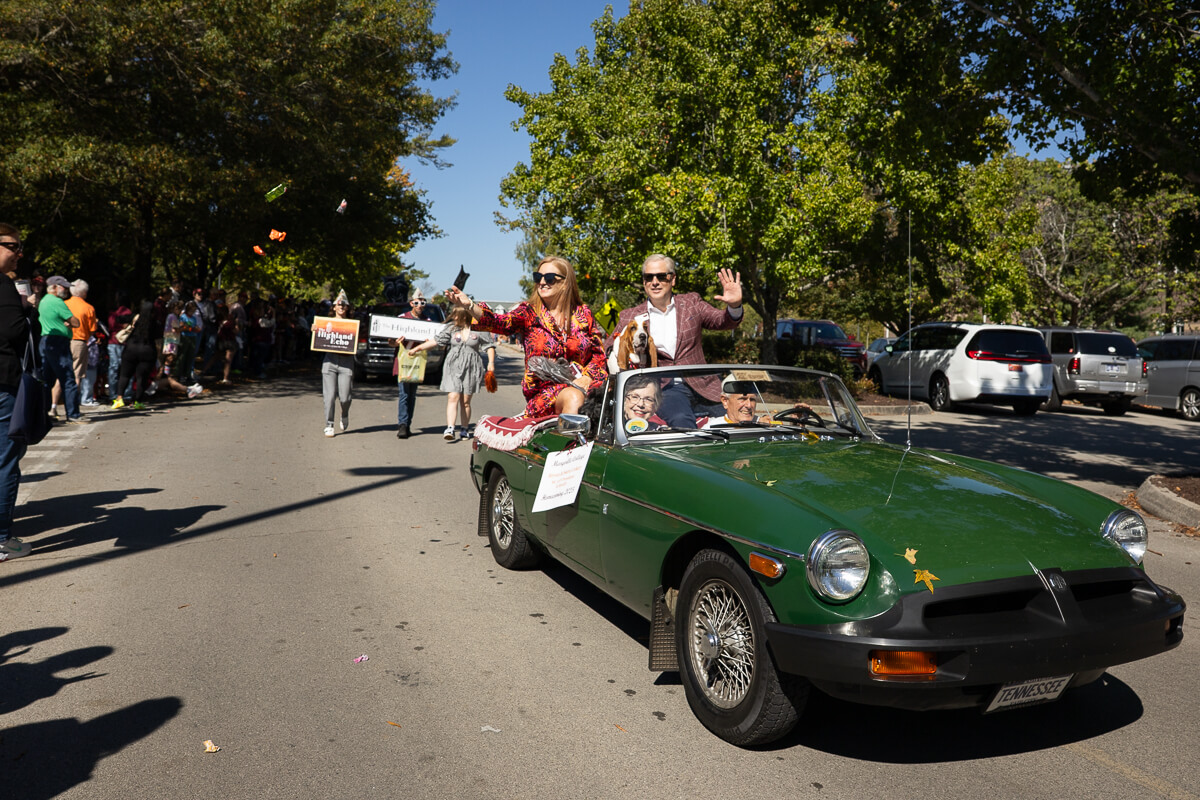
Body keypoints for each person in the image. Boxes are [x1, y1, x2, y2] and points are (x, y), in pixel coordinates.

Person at [446, 256, 606, 417]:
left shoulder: (583, 313)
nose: (542, 282)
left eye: (549, 278)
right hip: (545, 392)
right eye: (538, 277)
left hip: (586, 384)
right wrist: (470, 305)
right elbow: (498, 322)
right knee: (574, 397)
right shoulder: (527, 312)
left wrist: (587, 378)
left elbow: (598, 354)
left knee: (621, 396)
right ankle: (573, 442)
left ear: (565, 283)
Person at [607, 255, 744, 428]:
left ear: (673, 279)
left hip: (704, 385)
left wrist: (734, 306)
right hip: (664, 389)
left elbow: (722, 321)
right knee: (682, 422)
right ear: (644, 283)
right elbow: (609, 348)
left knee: (736, 421)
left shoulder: (691, 303)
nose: (655, 282)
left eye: (661, 276)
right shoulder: (630, 316)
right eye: (649, 277)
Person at [407, 306, 496, 441]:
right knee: (453, 397)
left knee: (465, 401)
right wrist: (417, 348)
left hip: (471, 367)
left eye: (456, 315)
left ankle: (464, 428)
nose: (453, 317)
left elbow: (489, 346)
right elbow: (436, 341)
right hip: (453, 366)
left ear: (464, 315)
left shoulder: (479, 328)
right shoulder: (451, 328)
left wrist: (491, 363)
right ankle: (450, 428)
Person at [0, 224, 34, 560]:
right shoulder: (4, 285)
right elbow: (14, 331)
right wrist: (27, 309)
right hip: (2, 382)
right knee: (6, 460)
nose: (19, 253)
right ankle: (1, 539)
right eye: (13, 245)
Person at [387, 289, 430, 439]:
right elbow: (391, 342)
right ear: (411, 303)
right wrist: (395, 341)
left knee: (412, 395)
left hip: (418, 361)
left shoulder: (427, 322)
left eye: (422, 302)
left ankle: (408, 423)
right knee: (404, 394)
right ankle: (402, 425)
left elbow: (433, 342)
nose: (420, 305)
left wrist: (427, 344)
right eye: (417, 302)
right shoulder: (402, 318)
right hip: (403, 360)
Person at [38, 275, 82, 422]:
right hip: (58, 343)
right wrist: (69, 321)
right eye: (63, 287)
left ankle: (43, 413)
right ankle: (73, 414)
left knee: (47, 380)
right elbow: (75, 322)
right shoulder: (57, 302)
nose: (67, 290)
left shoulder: (43, 300)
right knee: (68, 378)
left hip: (45, 341)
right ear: (54, 287)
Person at [320, 290, 355, 438]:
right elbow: (319, 338)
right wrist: (315, 330)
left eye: (344, 304)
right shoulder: (326, 323)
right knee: (329, 396)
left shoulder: (353, 324)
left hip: (346, 362)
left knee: (345, 397)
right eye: (339, 304)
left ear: (347, 307)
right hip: (330, 361)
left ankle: (344, 413)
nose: (341, 306)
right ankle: (329, 424)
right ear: (334, 307)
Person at [113, 301, 157, 410]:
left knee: (125, 375)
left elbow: (118, 319)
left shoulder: (135, 318)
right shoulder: (155, 323)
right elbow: (158, 336)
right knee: (142, 377)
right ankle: (138, 402)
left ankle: (119, 399)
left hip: (131, 349)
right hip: (147, 350)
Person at [67, 279, 99, 406]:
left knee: (62, 373)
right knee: (77, 374)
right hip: (79, 341)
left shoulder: (63, 304)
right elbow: (92, 329)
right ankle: (73, 404)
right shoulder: (88, 308)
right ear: (84, 293)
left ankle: (55, 404)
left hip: (63, 340)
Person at [107, 290, 133, 402]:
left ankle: (114, 394)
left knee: (114, 368)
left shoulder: (115, 313)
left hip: (114, 341)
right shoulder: (128, 312)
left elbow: (111, 325)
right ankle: (126, 394)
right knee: (126, 369)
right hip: (124, 342)